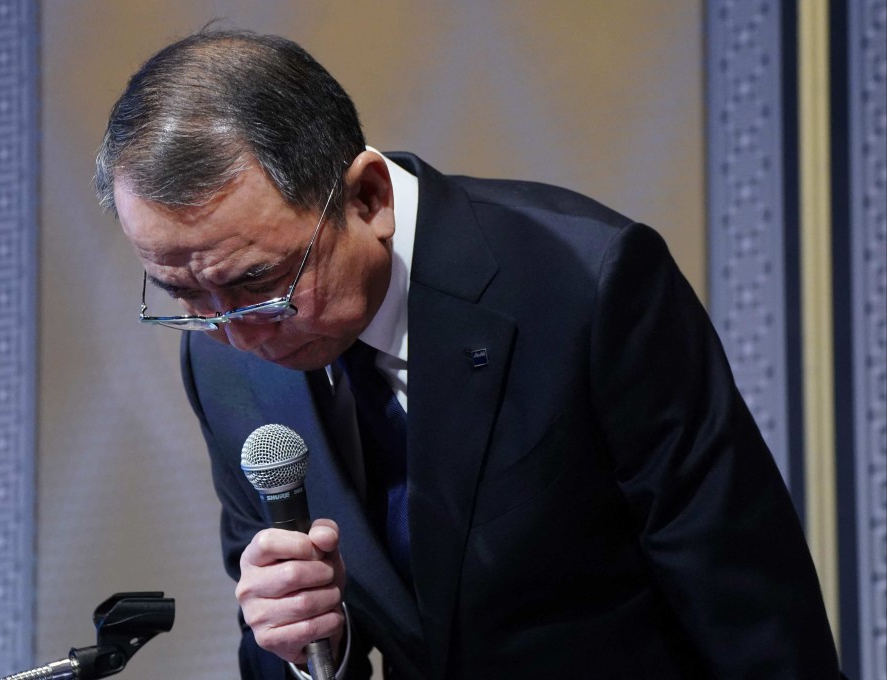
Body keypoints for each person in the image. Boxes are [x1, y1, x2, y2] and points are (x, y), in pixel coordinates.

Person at [94, 25, 841, 680]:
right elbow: (303, 643)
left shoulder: (587, 284)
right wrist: (303, 644)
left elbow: (746, 605)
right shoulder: (223, 364)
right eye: (183, 293)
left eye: (259, 279)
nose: (238, 330)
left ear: (368, 199)